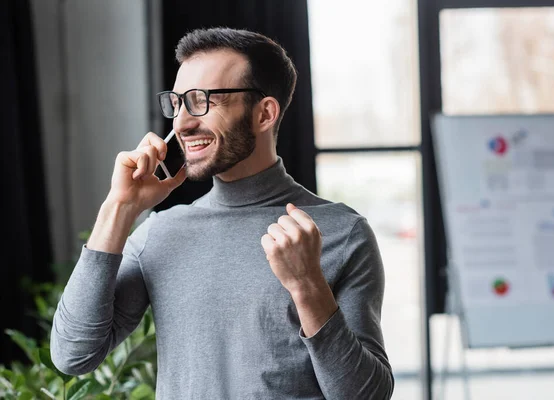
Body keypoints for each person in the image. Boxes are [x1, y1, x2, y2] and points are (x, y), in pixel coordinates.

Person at [50, 27, 394, 399]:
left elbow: (367, 395)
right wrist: (119, 207)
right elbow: (73, 355)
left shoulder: (341, 232)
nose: (181, 123)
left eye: (201, 100)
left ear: (264, 113)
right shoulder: (161, 232)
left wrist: (308, 287)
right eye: (177, 102)